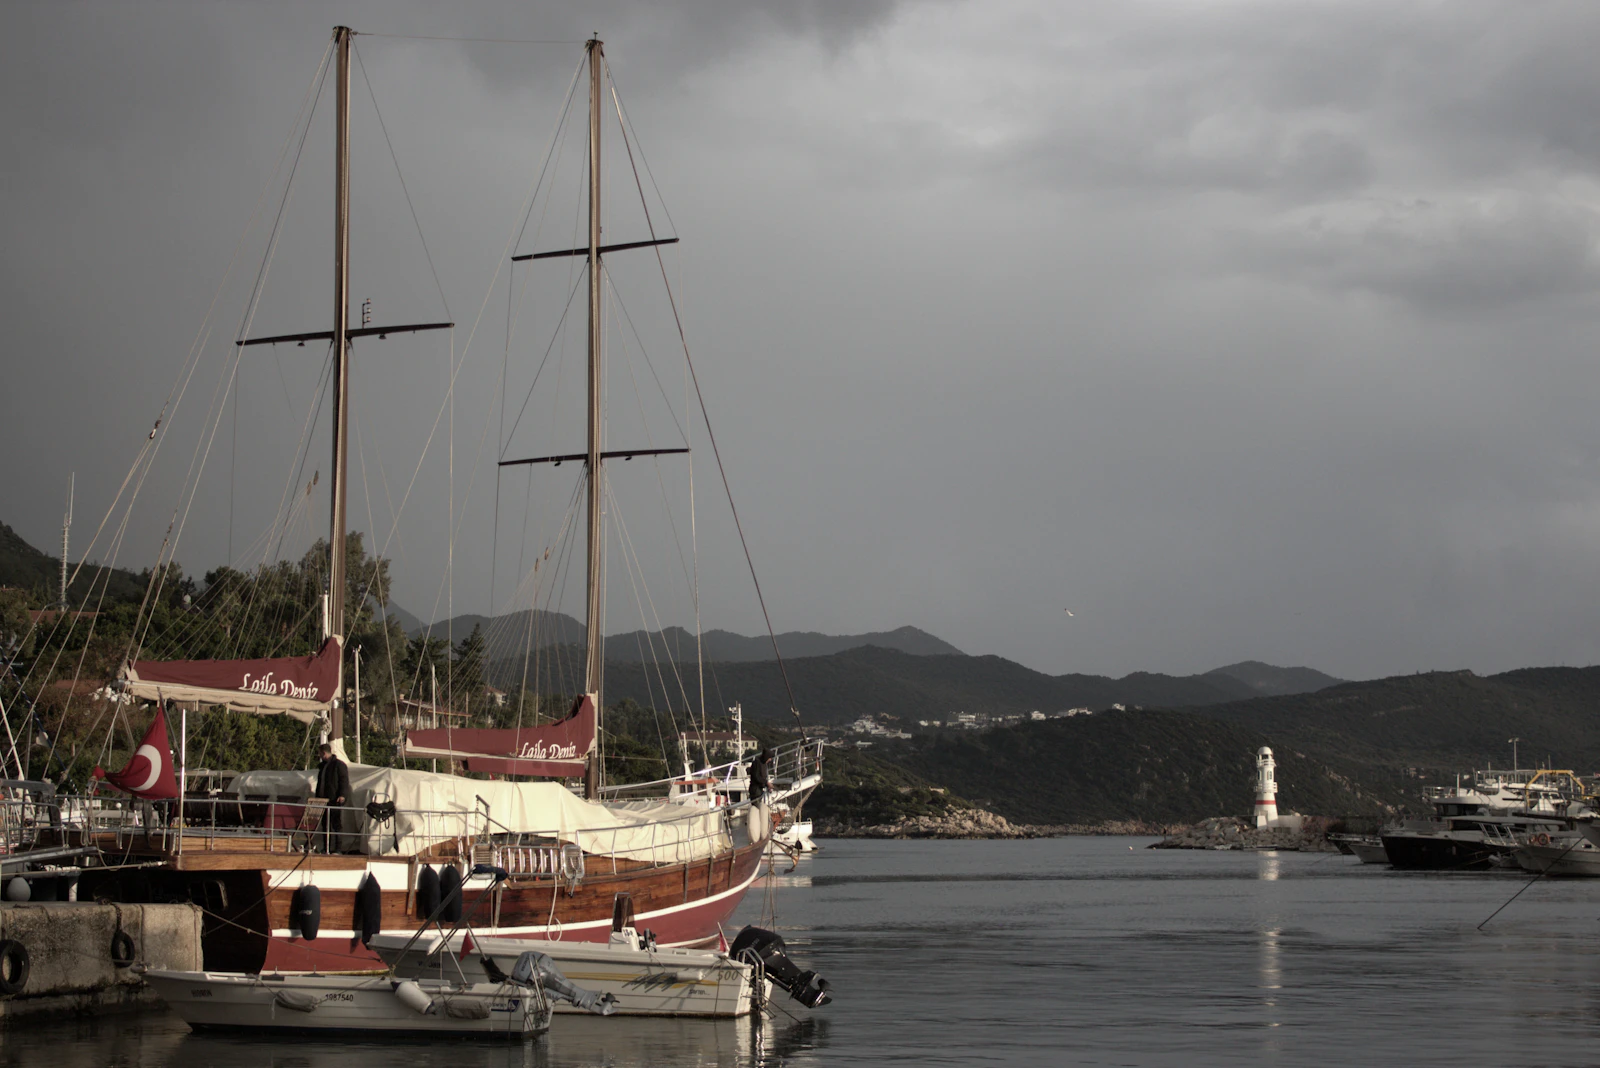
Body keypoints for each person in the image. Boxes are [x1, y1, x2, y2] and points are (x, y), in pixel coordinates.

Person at [314, 742, 352, 853]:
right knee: (325, 825)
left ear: (324, 753)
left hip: (334, 799)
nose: (319, 756)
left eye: (320, 753)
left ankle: (338, 848)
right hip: (323, 800)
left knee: (336, 824)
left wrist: (342, 795)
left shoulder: (339, 765)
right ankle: (326, 848)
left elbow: (344, 781)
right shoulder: (323, 767)